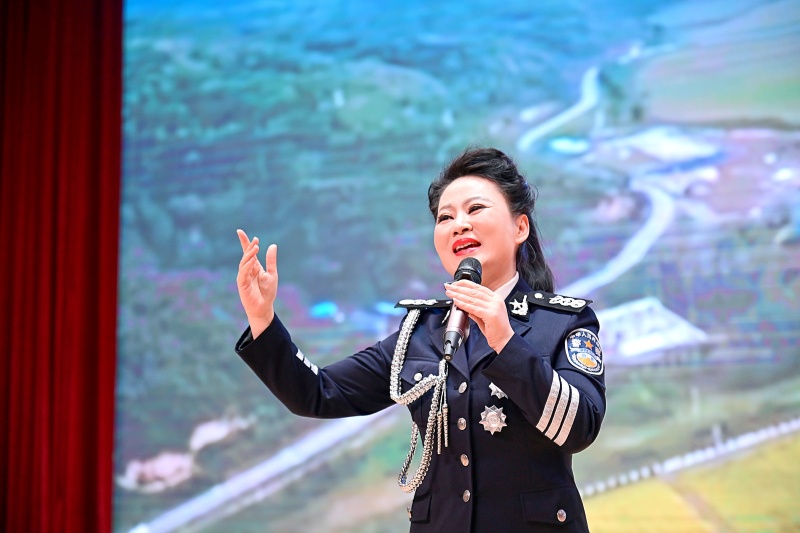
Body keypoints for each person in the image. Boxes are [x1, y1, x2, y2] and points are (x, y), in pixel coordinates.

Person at [235, 147, 606, 532]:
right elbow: (317, 393)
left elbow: (579, 428)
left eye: (476, 209)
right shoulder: (420, 332)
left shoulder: (562, 322)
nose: (459, 225)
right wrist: (262, 319)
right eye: (446, 217)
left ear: (520, 228)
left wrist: (505, 340)